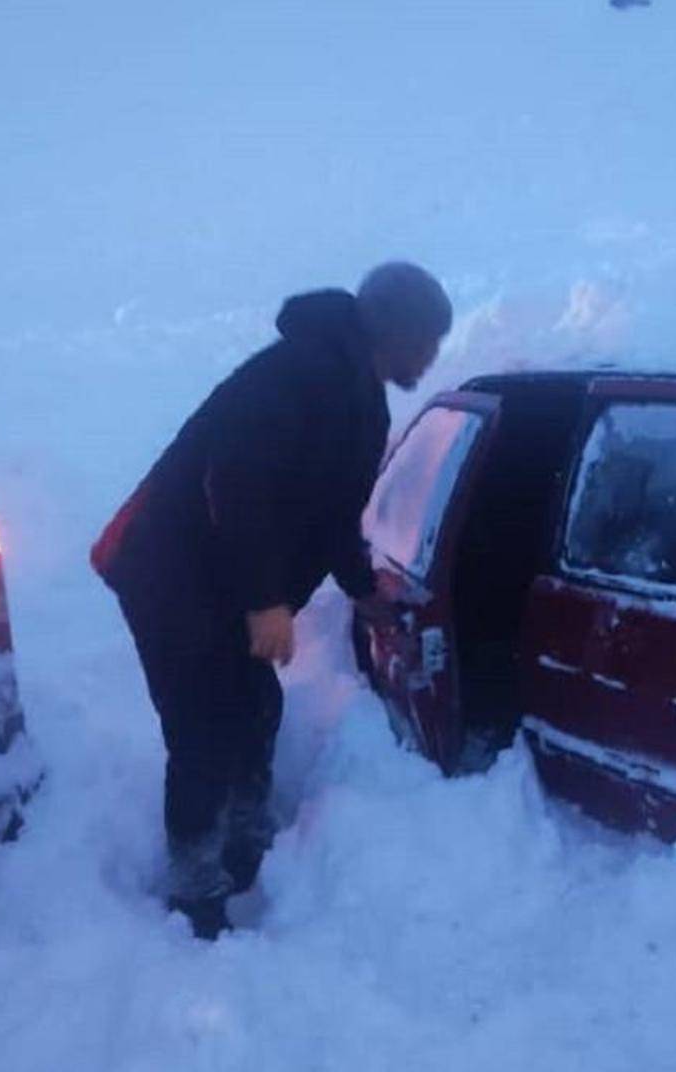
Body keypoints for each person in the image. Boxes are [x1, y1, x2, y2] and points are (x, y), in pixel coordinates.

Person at [90, 262, 452, 938]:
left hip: (223, 574)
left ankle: (247, 839)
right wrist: (264, 602)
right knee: (203, 725)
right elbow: (235, 483)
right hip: (166, 567)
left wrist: (363, 588)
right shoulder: (300, 373)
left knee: (256, 703)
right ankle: (195, 886)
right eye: (428, 341)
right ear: (394, 333)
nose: (433, 357)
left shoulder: (363, 399)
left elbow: (333, 513)